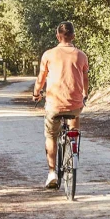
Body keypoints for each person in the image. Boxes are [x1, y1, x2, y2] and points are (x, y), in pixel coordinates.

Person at [33, 22, 89, 189]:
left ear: (58, 36)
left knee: (51, 136)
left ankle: (52, 173)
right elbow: (85, 80)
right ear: (73, 36)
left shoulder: (48, 55)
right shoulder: (81, 56)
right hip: (75, 105)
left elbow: (41, 78)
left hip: (54, 105)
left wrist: (36, 93)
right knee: (75, 118)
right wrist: (85, 93)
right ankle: (74, 144)